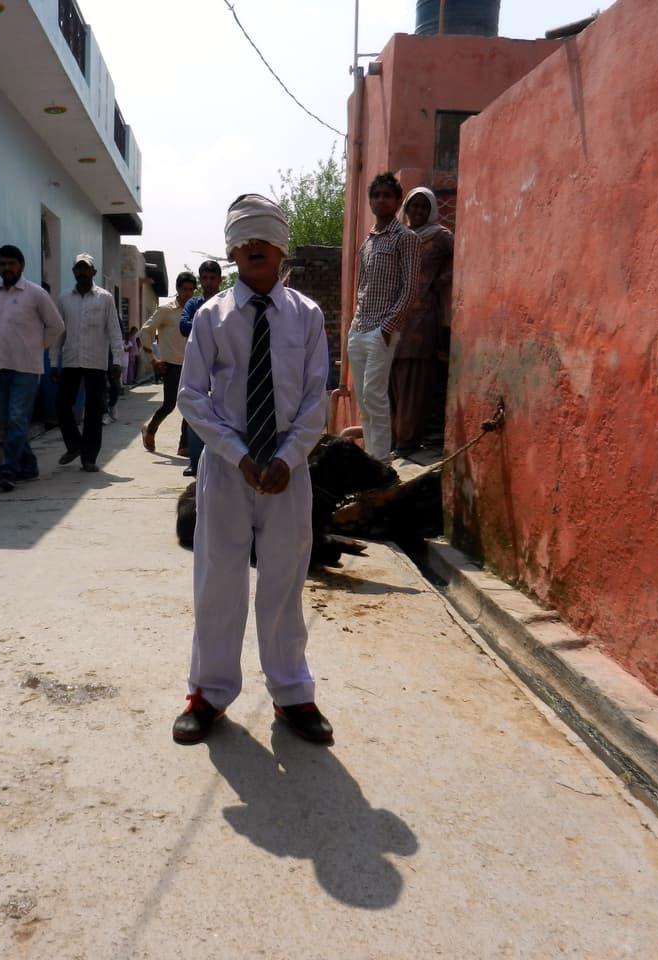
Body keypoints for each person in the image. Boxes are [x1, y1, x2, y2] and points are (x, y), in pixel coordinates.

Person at [173, 194, 332, 746]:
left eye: (263, 240)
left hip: (287, 474)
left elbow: (316, 398)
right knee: (219, 578)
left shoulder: (307, 317)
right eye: (244, 242)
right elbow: (191, 396)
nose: (253, 249)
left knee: (285, 581)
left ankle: (292, 693)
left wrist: (289, 458)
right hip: (228, 469)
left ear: (281, 247)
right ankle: (209, 693)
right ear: (233, 250)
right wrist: (238, 454)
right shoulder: (213, 317)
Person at [347, 171, 420, 459]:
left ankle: (380, 462)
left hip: (381, 329)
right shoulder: (368, 241)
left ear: (398, 200)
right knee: (364, 401)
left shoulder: (406, 238)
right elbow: (362, 286)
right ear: (370, 201)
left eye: (387, 195)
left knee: (375, 396)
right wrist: (354, 326)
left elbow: (411, 287)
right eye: (376, 195)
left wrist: (388, 328)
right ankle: (371, 458)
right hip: (359, 327)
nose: (380, 200)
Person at [0, 244, 65, 492]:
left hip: (27, 368)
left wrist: (39, 347)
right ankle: (28, 467)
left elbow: (56, 325)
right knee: (9, 422)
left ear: (21, 266)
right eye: (2, 264)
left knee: (18, 419)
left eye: (11, 263)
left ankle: (7, 471)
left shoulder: (36, 294)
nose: (6, 268)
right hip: (0, 365)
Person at [389, 186, 453, 455]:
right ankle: (392, 439)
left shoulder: (440, 237)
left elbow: (458, 262)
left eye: (424, 207)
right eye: (414, 206)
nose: (418, 211)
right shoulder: (399, 236)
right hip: (393, 319)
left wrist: (441, 281)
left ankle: (407, 441)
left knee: (415, 380)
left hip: (422, 319)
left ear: (431, 211)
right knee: (392, 380)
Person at [54, 253, 124, 473]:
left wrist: (118, 360)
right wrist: (53, 361)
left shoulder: (105, 298)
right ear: (74, 271)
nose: (82, 272)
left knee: (94, 410)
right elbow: (58, 333)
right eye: (79, 269)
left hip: (96, 361)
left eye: (86, 269)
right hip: (71, 360)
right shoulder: (64, 298)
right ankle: (74, 445)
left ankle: (89, 457)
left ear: (93, 272)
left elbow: (114, 330)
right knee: (62, 406)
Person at [139, 271, 197, 456]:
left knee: (191, 406)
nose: (188, 293)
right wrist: (152, 360)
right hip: (171, 365)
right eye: (184, 289)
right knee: (169, 404)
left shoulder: (197, 310)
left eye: (191, 289)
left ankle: (184, 444)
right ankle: (150, 430)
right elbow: (145, 332)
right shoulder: (166, 310)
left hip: (193, 365)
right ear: (178, 289)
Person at [178, 259, 225, 476]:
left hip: (223, 366)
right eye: (205, 278)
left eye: (212, 278)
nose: (209, 282)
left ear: (219, 280)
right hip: (198, 364)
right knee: (195, 414)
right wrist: (210, 326)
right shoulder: (193, 304)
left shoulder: (229, 302)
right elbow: (183, 326)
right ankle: (195, 463)